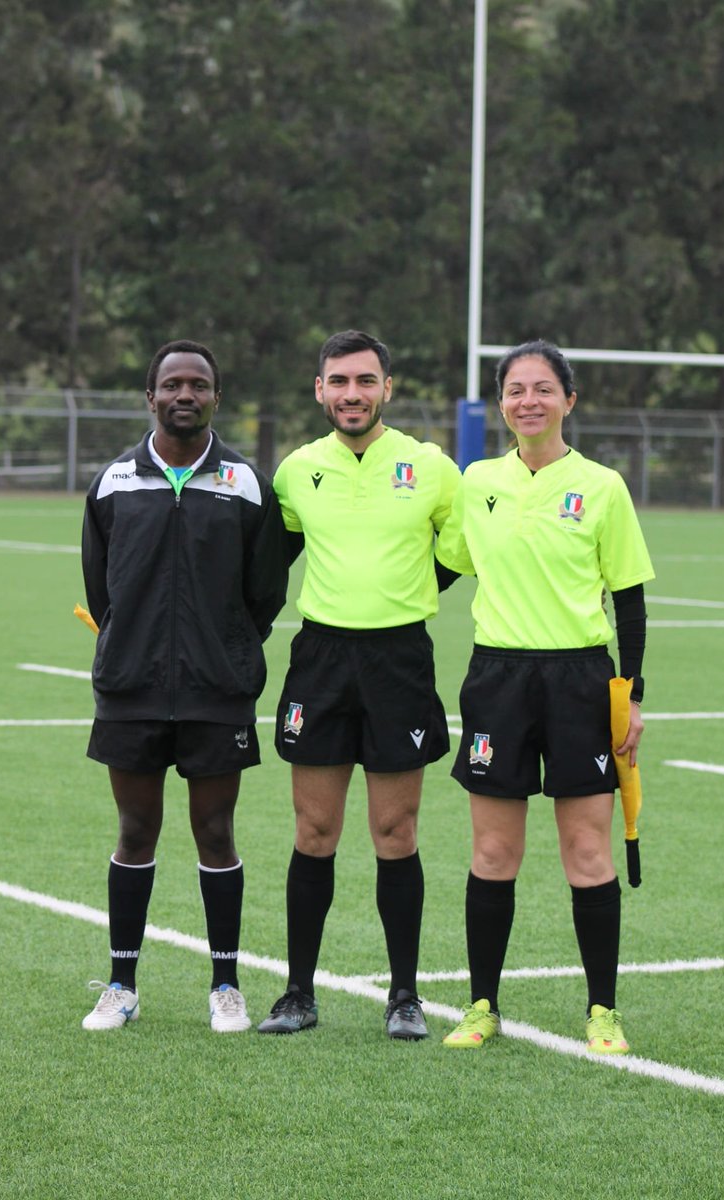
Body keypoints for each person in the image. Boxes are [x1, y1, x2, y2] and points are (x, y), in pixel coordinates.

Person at [435, 339, 654, 1054]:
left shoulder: (602, 486)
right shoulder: (477, 482)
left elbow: (628, 600)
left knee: (587, 850)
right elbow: (442, 572)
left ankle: (603, 1011)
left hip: (579, 681)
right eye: (515, 390)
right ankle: (481, 1005)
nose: (528, 400)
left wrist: (632, 695)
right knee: (493, 849)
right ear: (500, 403)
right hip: (497, 678)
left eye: (542, 388)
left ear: (569, 399)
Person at [256, 329, 461, 1040]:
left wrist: (407, 591)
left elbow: (458, 550)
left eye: (365, 380)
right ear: (320, 390)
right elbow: (267, 564)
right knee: (315, 830)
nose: (352, 394)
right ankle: (297, 994)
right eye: (338, 381)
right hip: (321, 659)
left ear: (387, 387)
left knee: (394, 831)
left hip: (399, 661)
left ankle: (404, 996)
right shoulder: (295, 471)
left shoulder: (430, 466)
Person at [80, 339, 288, 1033]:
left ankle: (225, 984)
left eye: (198, 384)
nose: (185, 395)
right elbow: (102, 590)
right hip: (132, 689)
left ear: (216, 399)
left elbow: (264, 594)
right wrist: (132, 647)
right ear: (151, 397)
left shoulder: (246, 485)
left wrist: (223, 652)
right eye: (173, 384)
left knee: (215, 830)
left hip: (215, 692)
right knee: (136, 828)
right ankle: (121, 983)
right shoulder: (114, 483)